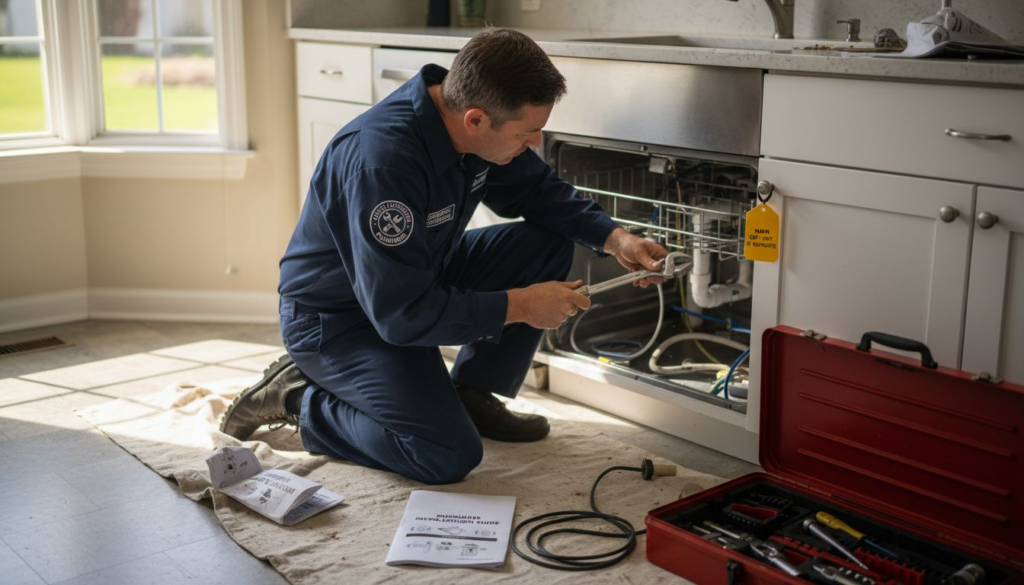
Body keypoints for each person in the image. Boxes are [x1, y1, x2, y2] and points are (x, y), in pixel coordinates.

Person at [220, 28, 669, 485]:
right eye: (527, 133)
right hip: (340, 319)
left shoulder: (470, 119)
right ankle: (298, 397)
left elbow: (536, 191)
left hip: (420, 275)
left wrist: (617, 240)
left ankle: (472, 392)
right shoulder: (385, 165)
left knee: (547, 242)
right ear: (476, 120)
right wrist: (521, 305)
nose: (533, 144)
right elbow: (401, 316)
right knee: (444, 454)